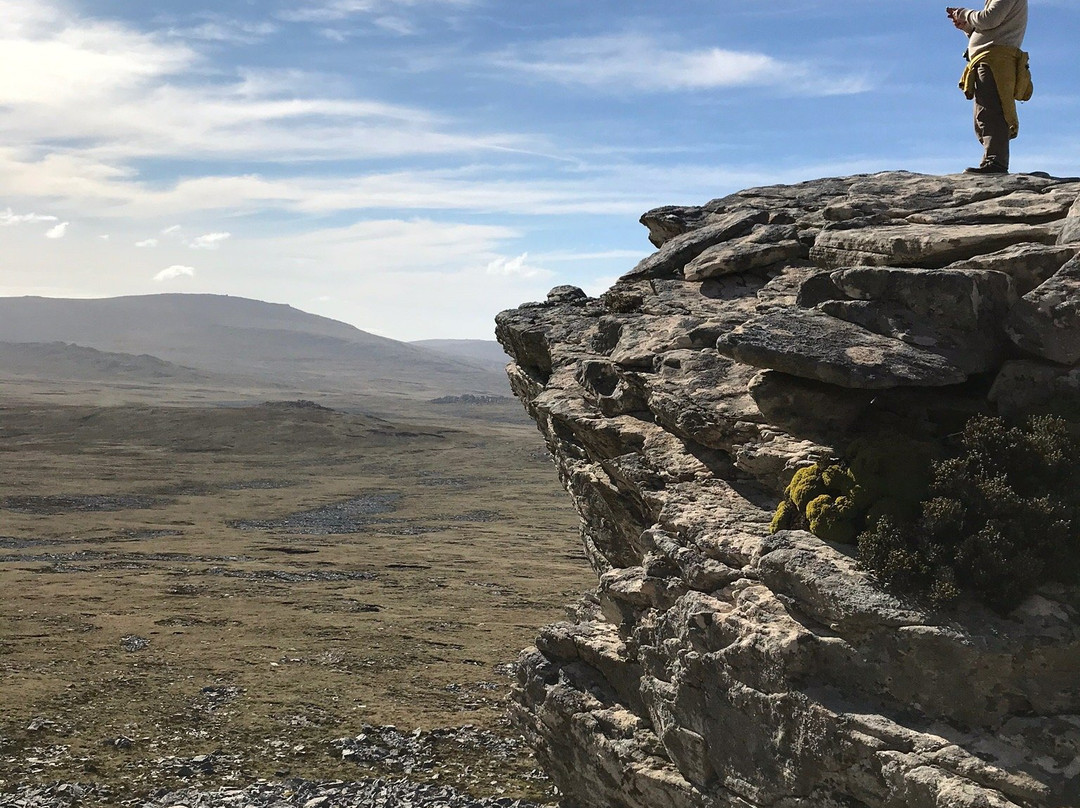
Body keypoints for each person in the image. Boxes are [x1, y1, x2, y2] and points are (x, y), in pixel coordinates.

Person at [946, 1, 1031, 174]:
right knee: (984, 112)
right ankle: (991, 160)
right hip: (990, 59)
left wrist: (964, 14)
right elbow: (991, 28)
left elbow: (989, 20)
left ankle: (996, 162)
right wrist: (968, 28)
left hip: (995, 60)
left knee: (991, 110)